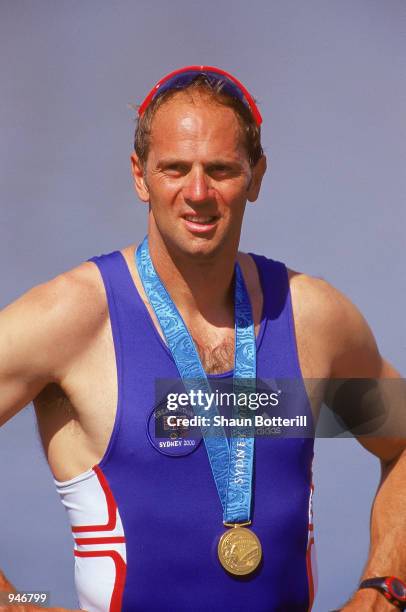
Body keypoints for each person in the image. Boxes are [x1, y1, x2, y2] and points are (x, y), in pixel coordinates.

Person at [0, 65, 405, 612]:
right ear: (139, 175)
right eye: (174, 169)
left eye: (220, 169)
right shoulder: (71, 320)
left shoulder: (310, 318)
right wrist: (17, 603)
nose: (197, 193)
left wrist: (384, 586)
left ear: (256, 177)